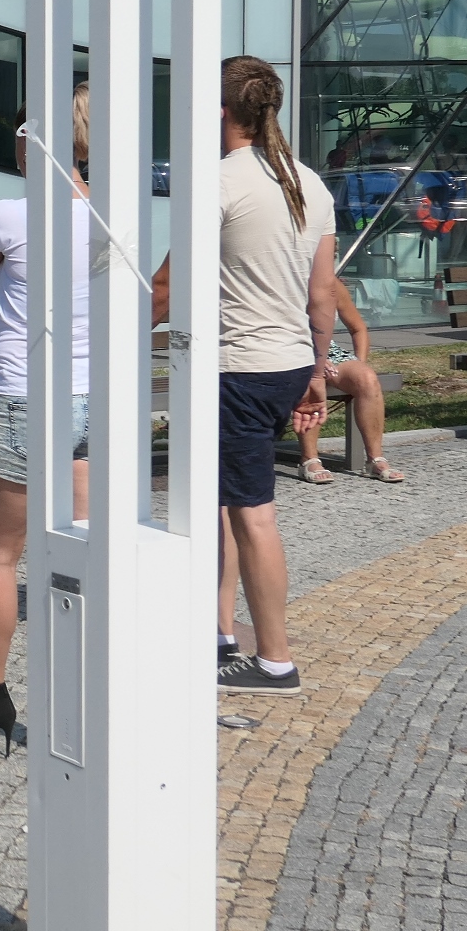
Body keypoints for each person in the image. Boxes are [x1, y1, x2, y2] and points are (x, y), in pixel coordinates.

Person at [151, 56, 338, 694]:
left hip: (238, 370)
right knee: (224, 502)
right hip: (286, 363)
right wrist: (316, 371)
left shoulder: (217, 181)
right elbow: (321, 295)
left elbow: (167, 286)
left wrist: (103, 340)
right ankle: (218, 632)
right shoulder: (308, 183)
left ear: (221, 111)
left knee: (252, 513)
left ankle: (275, 660)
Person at [0, 86, 94, 752]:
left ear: (32, 147)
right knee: (86, 558)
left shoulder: (7, 215)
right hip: (92, 402)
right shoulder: (111, 215)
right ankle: (87, 705)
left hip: (25, 402)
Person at [295, 284, 403, 484]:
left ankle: (375, 460)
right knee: (312, 376)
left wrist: (359, 363)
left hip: (329, 350)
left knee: (366, 379)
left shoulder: (332, 286)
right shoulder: (283, 281)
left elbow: (358, 328)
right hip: (292, 349)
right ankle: (309, 459)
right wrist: (314, 359)